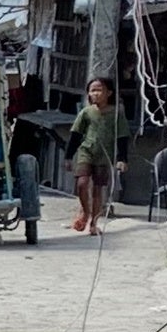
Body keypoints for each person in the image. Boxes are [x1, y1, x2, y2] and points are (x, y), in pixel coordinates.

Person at [70, 77, 121, 234]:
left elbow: (122, 137)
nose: (95, 94)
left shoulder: (116, 113)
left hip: (104, 155)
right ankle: (85, 212)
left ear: (109, 93)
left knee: (98, 189)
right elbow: (75, 135)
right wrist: (68, 156)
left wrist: (122, 159)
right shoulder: (86, 113)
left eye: (99, 90)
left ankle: (94, 222)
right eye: (92, 91)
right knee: (82, 184)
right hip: (86, 151)